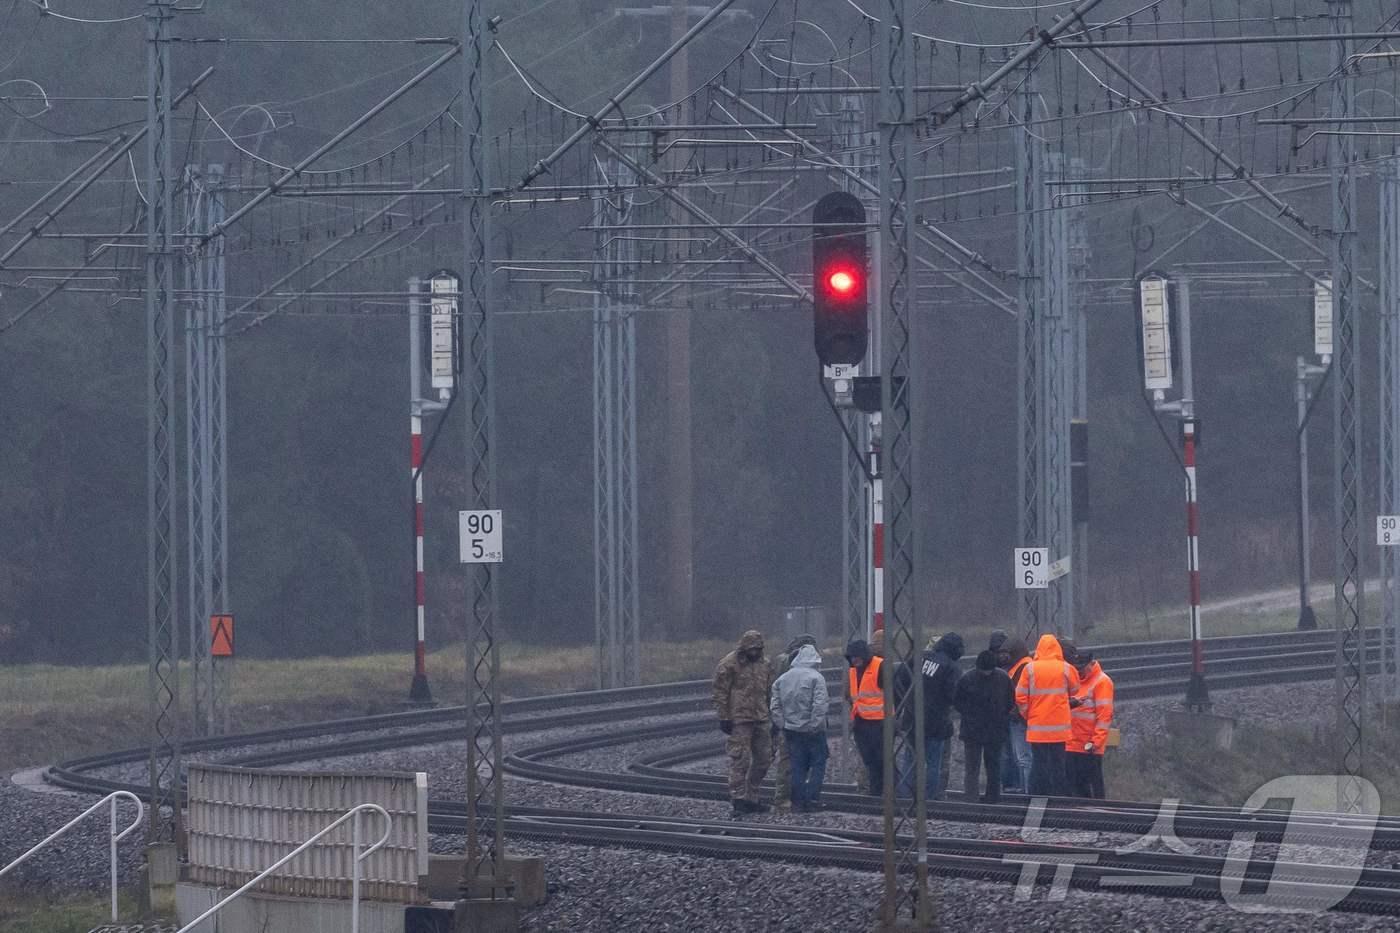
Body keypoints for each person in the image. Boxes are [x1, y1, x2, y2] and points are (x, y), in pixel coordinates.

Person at [892, 631, 965, 801]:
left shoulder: (919, 658)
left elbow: (900, 679)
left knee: (910, 760)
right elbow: (953, 695)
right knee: (933, 763)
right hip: (937, 721)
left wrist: (907, 703)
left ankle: (905, 796)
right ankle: (930, 798)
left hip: (912, 718)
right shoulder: (951, 668)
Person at [712, 630, 776, 816]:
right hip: (739, 719)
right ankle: (738, 799)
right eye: (752, 649)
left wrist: (772, 712)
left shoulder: (765, 664)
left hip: (761, 717)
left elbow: (770, 689)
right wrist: (724, 716)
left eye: (758, 649)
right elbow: (720, 692)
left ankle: (752, 796)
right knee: (741, 760)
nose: (755, 652)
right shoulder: (729, 664)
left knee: (764, 759)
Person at [1014, 633, 1080, 797]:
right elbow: (1075, 689)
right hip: (1059, 728)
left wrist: (1028, 715)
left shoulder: (1030, 668)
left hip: (1037, 727)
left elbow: (1020, 696)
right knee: (1058, 763)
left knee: (1039, 764)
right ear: (1057, 649)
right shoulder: (1065, 667)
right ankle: (1058, 796)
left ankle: (1037, 795)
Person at [770, 644, 830, 811]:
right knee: (818, 764)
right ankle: (812, 800)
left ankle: (797, 802)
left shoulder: (782, 679)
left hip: (792, 731)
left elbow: (775, 706)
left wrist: (783, 725)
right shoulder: (816, 678)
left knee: (798, 766)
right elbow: (820, 705)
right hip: (813, 731)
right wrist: (814, 725)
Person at [954, 649, 1015, 803]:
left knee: (980, 767)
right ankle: (988, 797)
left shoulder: (967, 678)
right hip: (991, 729)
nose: (987, 673)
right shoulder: (1003, 678)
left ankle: (975, 797)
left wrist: (970, 715)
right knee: (988, 766)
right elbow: (1010, 701)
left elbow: (958, 702)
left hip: (974, 729)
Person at [1066, 649, 1114, 799]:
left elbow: (1104, 716)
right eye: (1076, 669)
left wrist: (1096, 742)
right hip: (1071, 744)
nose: (1079, 672)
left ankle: (1098, 817)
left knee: (1093, 790)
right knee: (1075, 789)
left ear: (1091, 664)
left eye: (1081, 669)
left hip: (1089, 747)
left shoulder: (1102, 682)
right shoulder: (1073, 682)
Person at [845, 638, 885, 797]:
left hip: (879, 721)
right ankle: (876, 791)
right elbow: (852, 695)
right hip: (861, 721)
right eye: (851, 657)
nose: (854, 660)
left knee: (881, 759)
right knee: (869, 759)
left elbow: (894, 692)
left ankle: (884, 790)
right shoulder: (853, 671)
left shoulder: (880, 666)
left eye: (856, 656)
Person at [999, 638, 1033, 794]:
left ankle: (1027, 790)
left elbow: (1019, 696)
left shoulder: (1024, 668)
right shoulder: (1020, 666)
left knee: (1023, 757)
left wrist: (1017, 713)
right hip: (1021, 718)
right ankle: (1024, 787)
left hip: (1021, 719)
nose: (1003, 658)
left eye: (1006, 654)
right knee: (1021, 757)